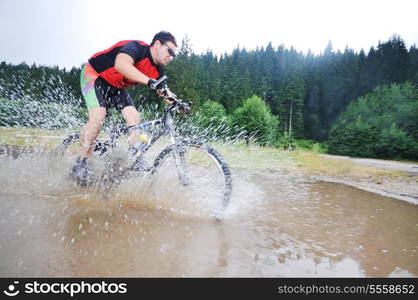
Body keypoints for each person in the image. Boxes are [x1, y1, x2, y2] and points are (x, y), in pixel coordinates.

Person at [71, 31, 178, 185]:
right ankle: (80, 163)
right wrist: (149, 81)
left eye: (175, 54)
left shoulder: (158, 70)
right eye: (170, 51)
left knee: (133, 116)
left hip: (116, 87)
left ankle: (134, 157)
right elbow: (121, 65)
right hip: (95, 76)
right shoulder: (136, 47)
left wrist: (177, 102)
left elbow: (164, 92)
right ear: (157, 44)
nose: (172, 56)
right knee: (98, 116)